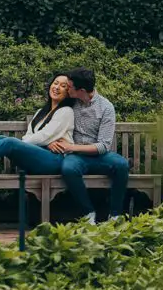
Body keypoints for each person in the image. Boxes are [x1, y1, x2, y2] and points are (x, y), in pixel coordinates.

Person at [49, 67, 130, 224]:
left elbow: (103, 146)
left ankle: (115, 215)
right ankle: (88, 213)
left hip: (99, 156)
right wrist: (51, 140)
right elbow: (51, 122)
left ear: (82, 90)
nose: (67, 88)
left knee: (121, 165)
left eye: (70, 86)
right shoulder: (70, 102)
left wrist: (71, 147)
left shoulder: (106, 108)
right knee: (68, 168)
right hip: (77, 158)